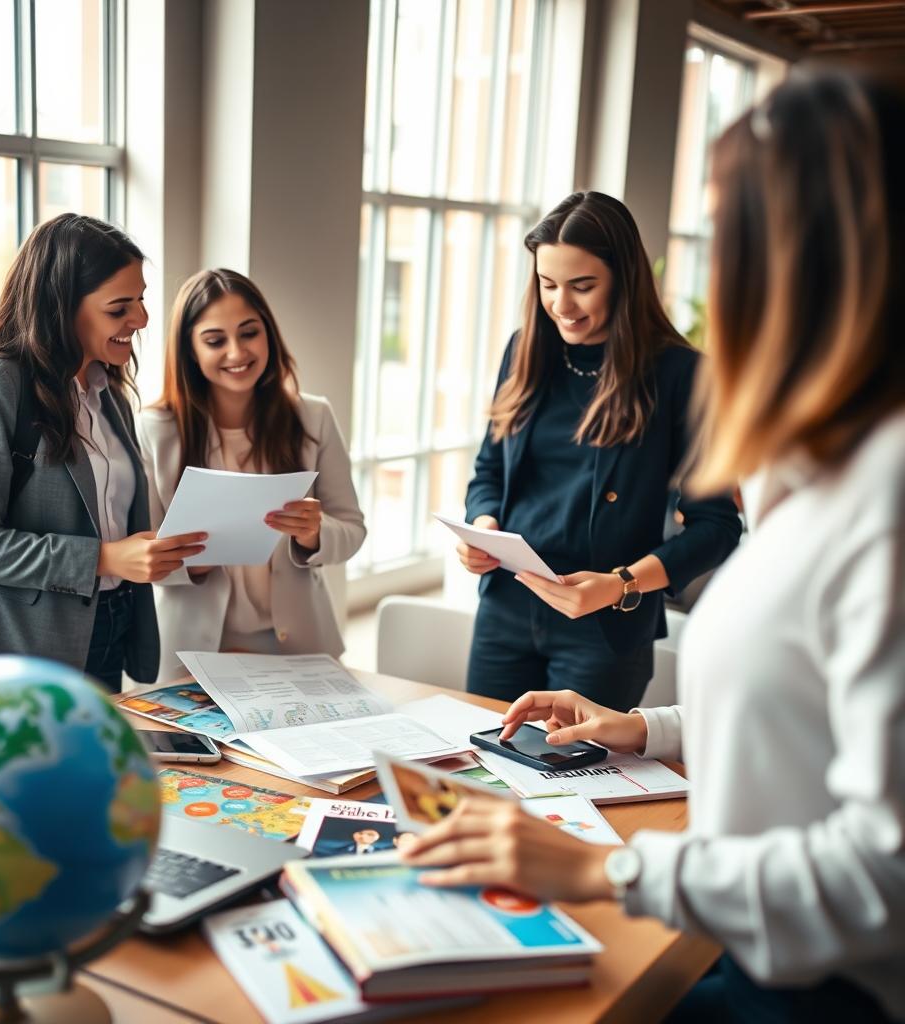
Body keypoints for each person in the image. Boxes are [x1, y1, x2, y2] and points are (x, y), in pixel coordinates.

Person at [402, 65, 905, 1022]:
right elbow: (796, 720)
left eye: (737, 241)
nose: (723, 275)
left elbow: (885, 869)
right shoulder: (823, 465)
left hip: (814, 986)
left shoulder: (876, 489)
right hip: (750, 941)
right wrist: (648, 731)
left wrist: (617, 869)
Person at [460, 191, 741, 709]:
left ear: (623, 280)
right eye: (548, 285)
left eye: (582, 286)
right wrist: (482, 527)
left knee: (573, 784)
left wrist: (619, 585)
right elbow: (489, 473)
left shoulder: (681, 374)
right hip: (506, 608)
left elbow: (718, 527)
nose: (561, 305)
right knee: (481, 768)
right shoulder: (525, 350)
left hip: (606, 628)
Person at [0, 214, 207, 691]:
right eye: (119, 307)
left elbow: (104, 519)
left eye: (140, 300)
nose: (141, 320)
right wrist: (103, 558)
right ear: (61, 307)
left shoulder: (109, 393)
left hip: (107, 632)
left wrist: (148, 548)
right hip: (15, 652)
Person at [139, 268, 365, 681]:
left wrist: (314, 535)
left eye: (249, 332)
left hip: (299, 648)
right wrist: (192, 565)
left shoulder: (313, 416)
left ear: (269, 334)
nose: (236, 352)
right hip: (193, 653)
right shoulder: (156, 429)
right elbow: (140, 550)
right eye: (214, 340)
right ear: (190, 349)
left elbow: (352, 529)